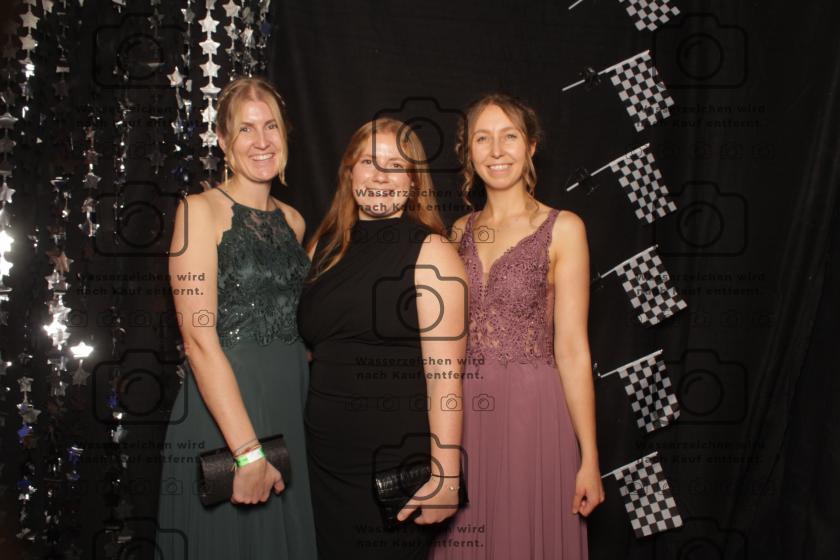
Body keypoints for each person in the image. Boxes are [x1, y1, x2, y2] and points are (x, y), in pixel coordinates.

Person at [431, 93, 604, 559]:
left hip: (534, 414)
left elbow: (572, 348)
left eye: (509, 137)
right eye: (482, 139)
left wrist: (590, 456)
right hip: (466, 414)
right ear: (468, 152)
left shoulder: (564, 228)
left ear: (530, 146)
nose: (496, 150)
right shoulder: (458, 232)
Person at [156, 77, 318, 559]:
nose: (261, 140)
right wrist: (247, 452)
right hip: (226, 419)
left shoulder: (294, 221)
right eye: (245, 129)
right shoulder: (197, 213)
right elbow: (197, 340)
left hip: (289, 410)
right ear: (224, 140)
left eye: (271, 126)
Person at [297, 118, 468, 559]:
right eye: (369, 161)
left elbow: (445, 378)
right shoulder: (324, 247)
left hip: (390, 465)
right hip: (320, 462)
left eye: (396, 166)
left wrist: (446, 475)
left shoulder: (433, 253)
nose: (380, 175)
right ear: (349, 170)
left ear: (413, 183)